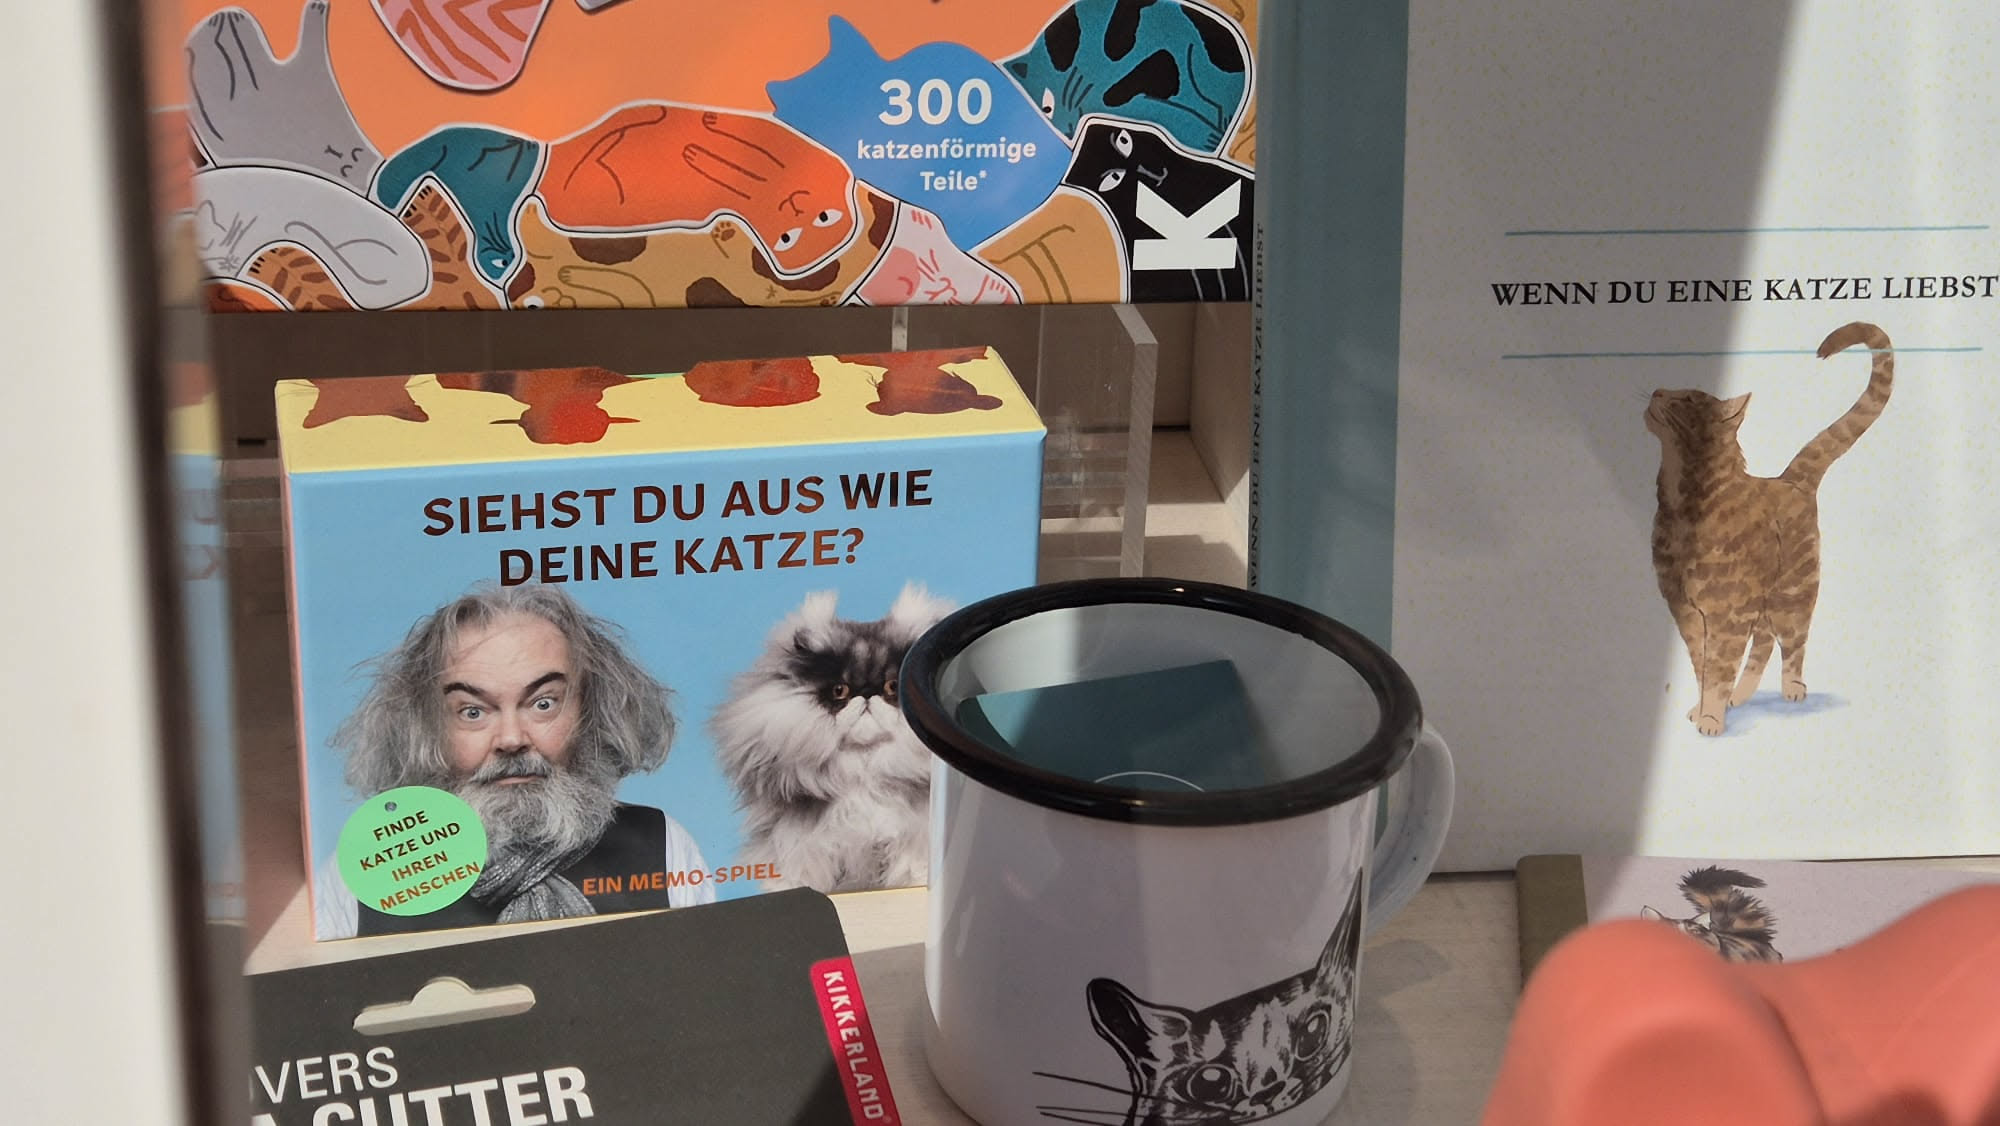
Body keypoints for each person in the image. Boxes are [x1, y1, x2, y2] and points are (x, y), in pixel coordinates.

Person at [314, 583, 712, 938]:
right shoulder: (363, 874)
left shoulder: (662, 845)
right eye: (472, 711)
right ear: (425, 727)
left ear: (589, 710)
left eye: (543, 704)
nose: (511, 739)